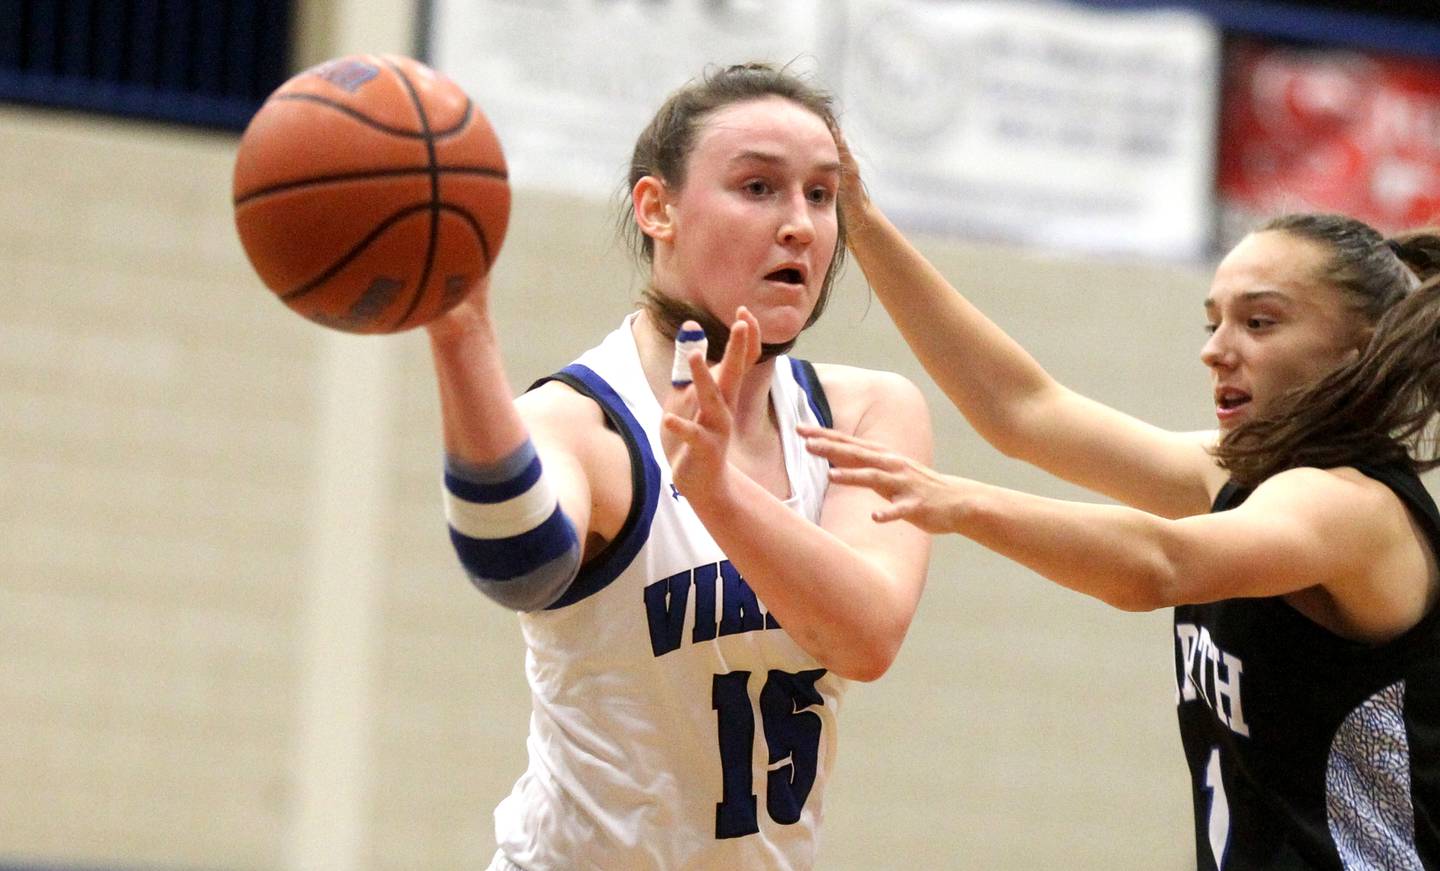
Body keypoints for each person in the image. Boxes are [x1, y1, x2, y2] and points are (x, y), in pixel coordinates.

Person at [802, 151, 1440, 869]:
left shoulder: (1350, 508)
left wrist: (962, 502)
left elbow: (1160, 564)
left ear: (1360, 352)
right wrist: (855, 214)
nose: (1217, 352)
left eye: (1259, 323)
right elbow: (1022, 409)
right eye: (1213, 323)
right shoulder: (1243, 477)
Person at [423, 63, 932, 870]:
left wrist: (720, 494)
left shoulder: (866, 415)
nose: (799, 223)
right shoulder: (586, 420)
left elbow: (865, 635)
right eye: (759, 187)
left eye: (821, 194)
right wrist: (462, 338)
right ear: (656, 208)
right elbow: (514, 561)